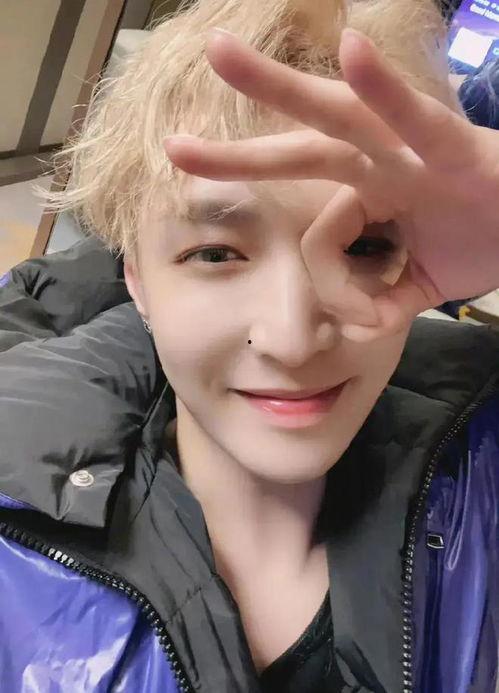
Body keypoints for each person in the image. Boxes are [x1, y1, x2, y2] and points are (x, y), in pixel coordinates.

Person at [0, 1, 497, 692]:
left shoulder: (480, 455)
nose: (292, 341)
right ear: (136, 279)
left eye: (362, 246)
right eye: (215, 254)